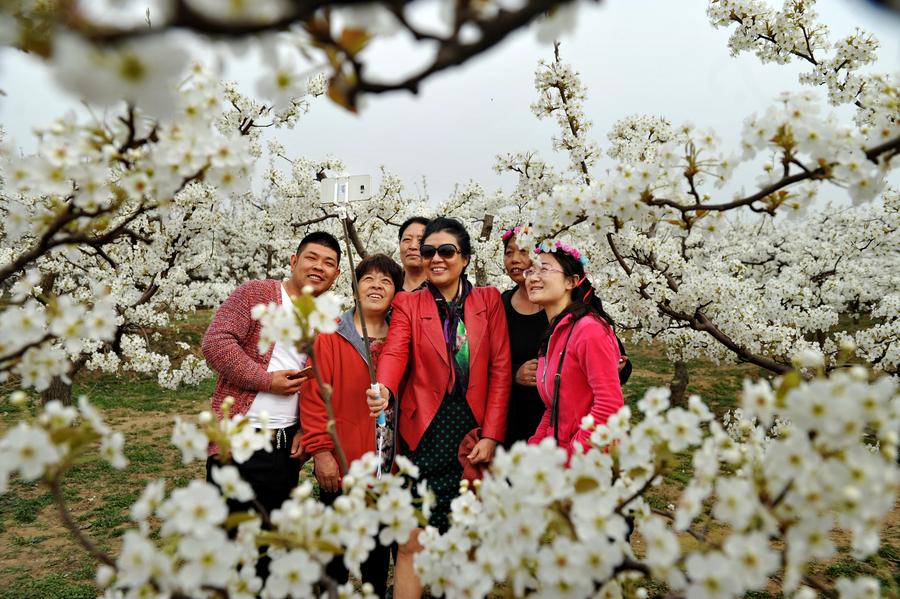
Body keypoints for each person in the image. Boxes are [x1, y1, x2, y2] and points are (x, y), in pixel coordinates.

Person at [367, 217, 511, 599]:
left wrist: (494, 433)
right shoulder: (408, 302)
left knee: (466, 541)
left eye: (446, 251)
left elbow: (500, 369)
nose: (436, 258)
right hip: (425, 433)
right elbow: (396, 351)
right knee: (412, 540)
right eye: (428, 251)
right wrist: (383, 387)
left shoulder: (489, 300)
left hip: (471, 432)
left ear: (464, 257)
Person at [201, 231, 341, 574]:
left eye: (329, 263)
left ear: (336, 276)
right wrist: (266, 380)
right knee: (230, 542)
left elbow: (325, 383)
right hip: (238, 441)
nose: (319, 267)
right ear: (293, 261)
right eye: (312, 258)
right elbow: (215, 343)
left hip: (284, 450)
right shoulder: (258, 294)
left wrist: (307, 431)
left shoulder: (329, 320)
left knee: (270, 548)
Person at [300, 253, 403, 598]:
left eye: (386, 281)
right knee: (336, 555)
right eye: (368, 279)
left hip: (388, 467)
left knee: (376, 555)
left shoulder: (401, 341)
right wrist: (322, 451)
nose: (376, 286)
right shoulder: (330, 335)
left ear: (396, 293)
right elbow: (314, 397)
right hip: (343, 459)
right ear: (356, 287)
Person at [525, 240, 624, 454]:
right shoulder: (552, 335)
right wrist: (533, 449)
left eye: (544, 269)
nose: (533, 277)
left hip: (588, 464)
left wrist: (570, 458)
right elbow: (553, 407)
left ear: (571, 281)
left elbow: (609, 406)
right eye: (530, 270)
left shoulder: (590, 330)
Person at [499, 226, 548, 447]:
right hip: (513, 420)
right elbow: (485, 359)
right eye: (509, 253)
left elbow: (618, 361)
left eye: (523, 251)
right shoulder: (500, 305)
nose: (515, 259)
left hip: (557, 418)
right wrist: (514, 373)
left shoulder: (565, 301)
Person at [397, 216, 429, 292]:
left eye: (421, 241)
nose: (413, 246)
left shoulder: (444, 289)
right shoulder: (389, 289)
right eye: (407, 239)